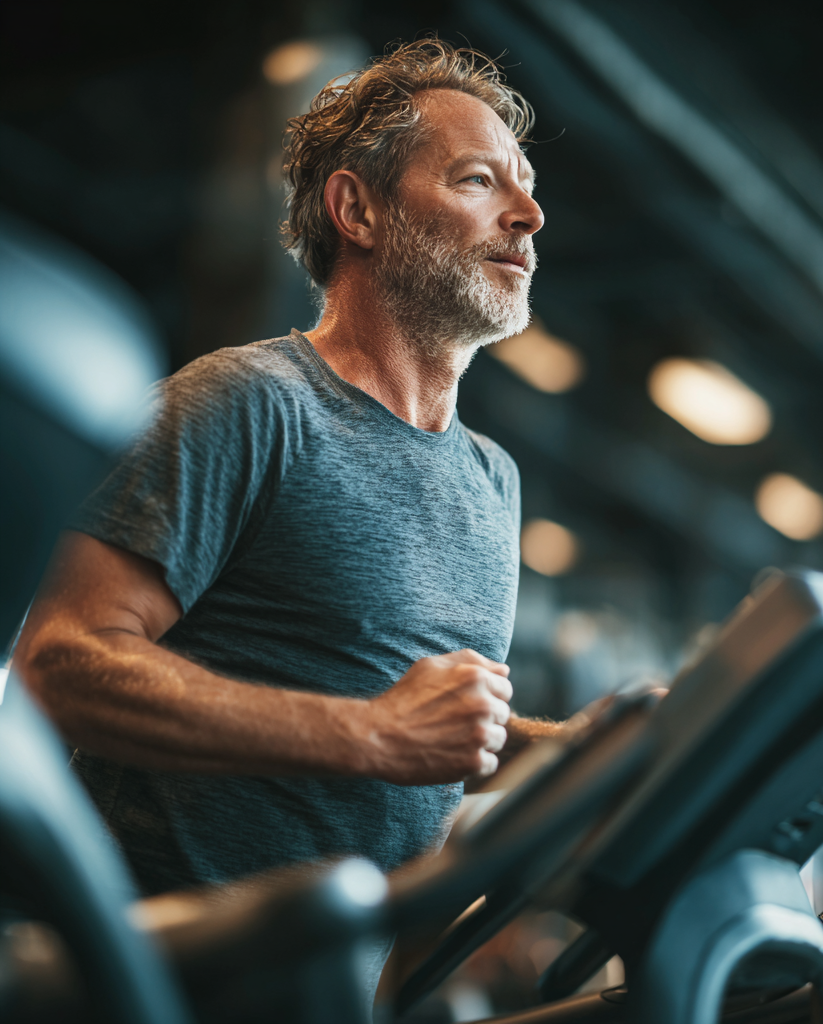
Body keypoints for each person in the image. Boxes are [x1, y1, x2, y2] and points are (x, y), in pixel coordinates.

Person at [13, 39, 558, 907]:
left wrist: (585, 750)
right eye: (477, 180)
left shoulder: (493, 480)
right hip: (153, 958)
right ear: (358, 210)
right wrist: (374, 734)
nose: (528, 213)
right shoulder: (250, 404)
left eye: (526, 186)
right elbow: (61, 663)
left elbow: (430, 735)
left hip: (327, 966)